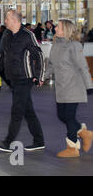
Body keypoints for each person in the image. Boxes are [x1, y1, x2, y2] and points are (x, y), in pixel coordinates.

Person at [0, 9, 45, 153]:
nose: (5, 21)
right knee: (28, 111)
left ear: (14, 20)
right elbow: (4, 55)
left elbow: (38, 56)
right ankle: (39, 140)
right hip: (13, 78)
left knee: (17, 110)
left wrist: (39, 76)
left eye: (7, 19)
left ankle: (8, 142)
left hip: (25, 79)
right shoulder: (7, 35)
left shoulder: (28, 35)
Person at [45, 19, 93, 157]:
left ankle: (72, 148)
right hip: (61, 88)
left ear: (65, 29)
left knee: (69, 117)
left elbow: (82, 66)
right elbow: (52, 66)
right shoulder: (55, 45)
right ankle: (84, 133)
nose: (55, 29)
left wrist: (89, 85)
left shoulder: (74, 45)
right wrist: (42, 77)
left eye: (58, 27)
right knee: (61, 116)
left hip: (74, 87)